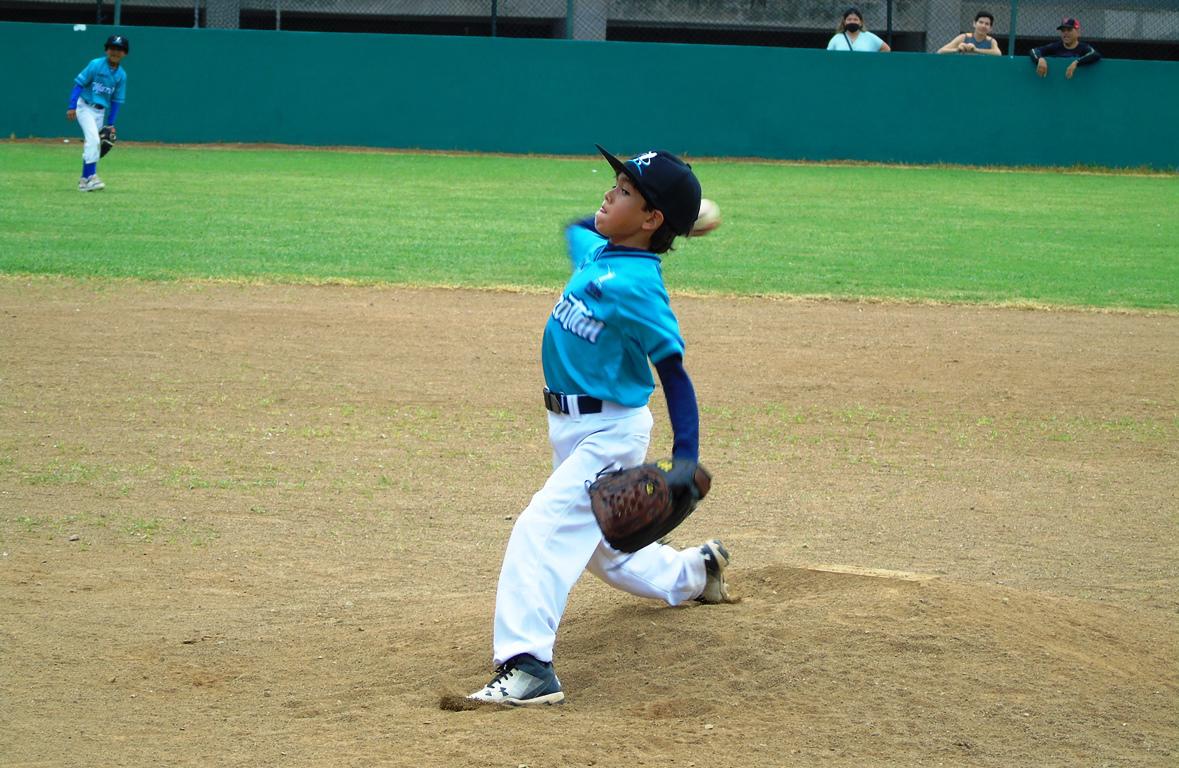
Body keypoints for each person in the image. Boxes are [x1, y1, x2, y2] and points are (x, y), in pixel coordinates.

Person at [466, 146, 731, 707]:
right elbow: (577, 227)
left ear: (651, 217)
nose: (608, 193)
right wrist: (660, 222)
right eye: (614, 181)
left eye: (626, 191)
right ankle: (697, 573)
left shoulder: (638, 287)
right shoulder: (600, 250)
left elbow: (675, 372)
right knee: (604, 549)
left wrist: (686, 457)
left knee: (540, 530)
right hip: (570, 428)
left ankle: (528, 667)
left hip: (609, 432)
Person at [67, 35, 129, 192]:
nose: (115, 52)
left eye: (119, 49)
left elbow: (116, 101)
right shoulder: (95, 64)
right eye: (112, 48)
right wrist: (72, 105)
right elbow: (79, 84)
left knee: (95, 144)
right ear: (106, 50)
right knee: (93, 140)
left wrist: (111, 124)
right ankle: (92, 177)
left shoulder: (121, 75)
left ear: (125, 53)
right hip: (84, 107)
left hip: (99, 111)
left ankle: (83, 180)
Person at [1030, 18, 1101, 79]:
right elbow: (1034, 51)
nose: (1065, 33)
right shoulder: (1056, 46)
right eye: (1063, 30)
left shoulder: (1083, 47)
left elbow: (1095, 54)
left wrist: (1077, 62)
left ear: (1078, 32)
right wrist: (1040, 59)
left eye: (1069, 30)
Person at [937, 10, 1003, 56]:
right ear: (974, 24)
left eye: (987, 24)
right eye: (981, 22)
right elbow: (940, 51)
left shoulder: (991, 41)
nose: (983, 26)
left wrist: (975, 50)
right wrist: (957, 49)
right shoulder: (963, 37)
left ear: (990, 28)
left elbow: (998, 54)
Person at [827, 7, 891, 52]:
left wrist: (874, 62)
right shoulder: (837, 38)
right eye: (849, 19)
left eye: (855, 19)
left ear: (861, 22)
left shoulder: (869, 36)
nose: (852, 22)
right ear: (844, 22)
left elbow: (886, 49)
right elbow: (828, 56)